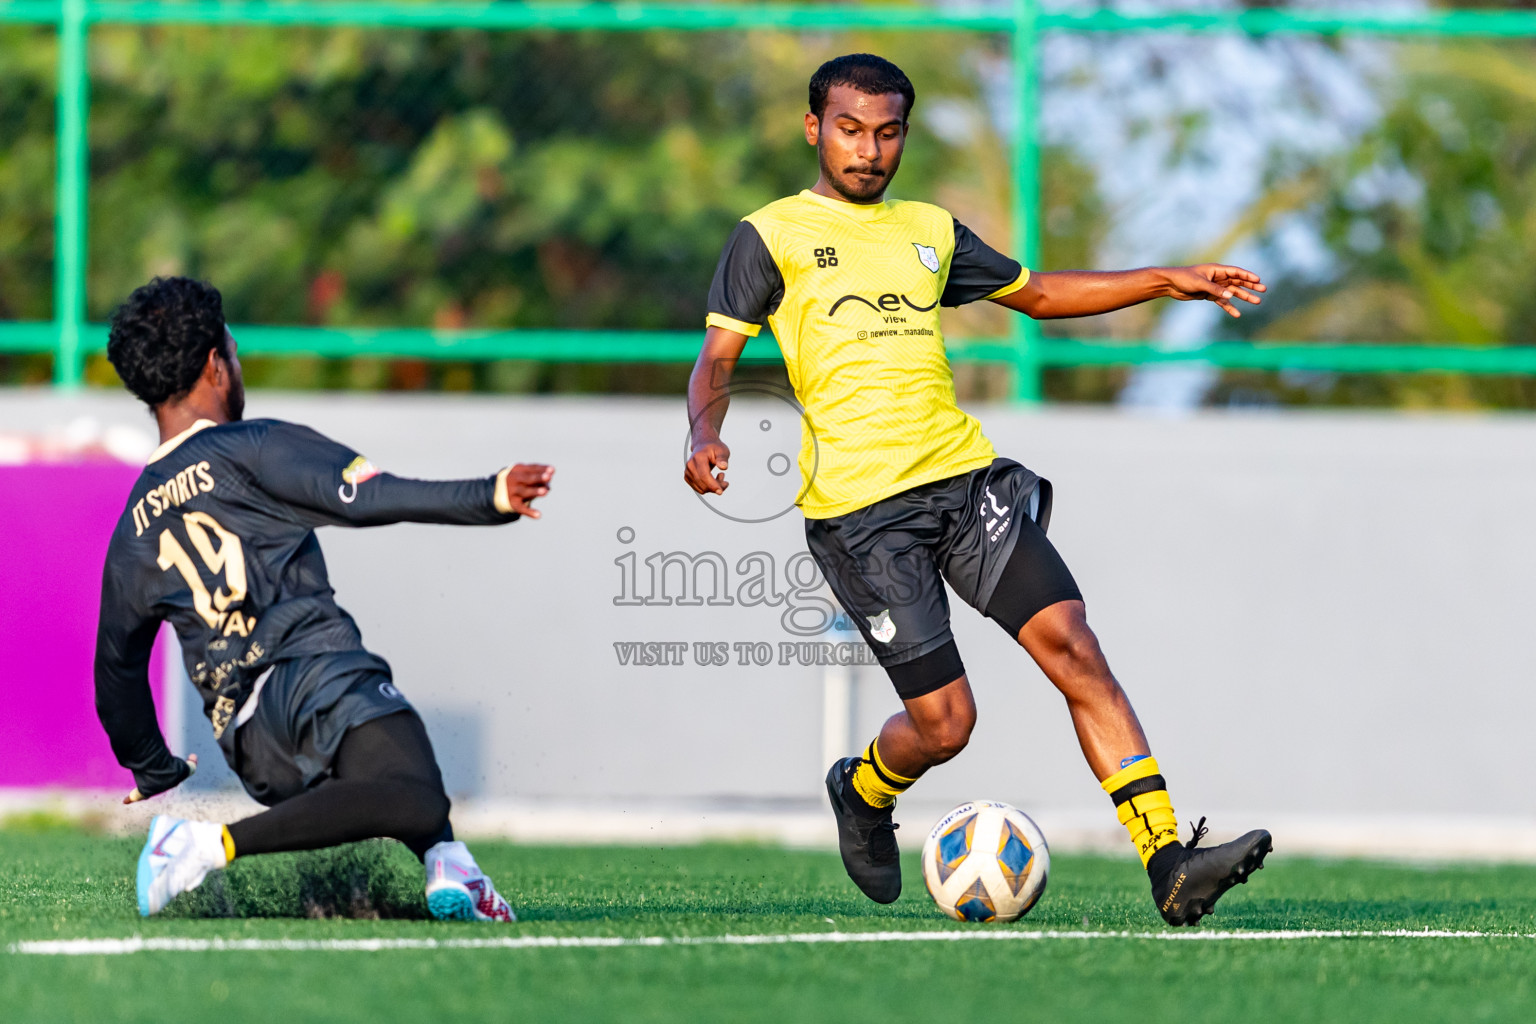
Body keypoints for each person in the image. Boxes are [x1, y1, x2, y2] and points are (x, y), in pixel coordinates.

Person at [685, 54, 1271, 926]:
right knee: (946, 725)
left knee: (1075, 645)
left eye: (887, 132)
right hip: (861, 517)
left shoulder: (930, 229)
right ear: (815, 128)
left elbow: (1036, 293)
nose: (868, 149)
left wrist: (1168, 277)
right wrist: (704, 431)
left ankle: (1170, 865)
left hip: (964, 484)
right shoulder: (768, 235)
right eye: (850, 129)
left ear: (904, 136)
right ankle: (863, 789)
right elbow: (716, 361)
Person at [96, 276, 554, 920]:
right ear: (213, 366)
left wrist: (151, 767)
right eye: (232, 346)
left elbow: (115, 671)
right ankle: (200, 845)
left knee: (405, 773)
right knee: (412, 794)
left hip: (251, 741)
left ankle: (453, 869)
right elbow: (367, 497)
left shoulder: (132, 528)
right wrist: (488, 495)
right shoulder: (250, 447)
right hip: (309, 672)